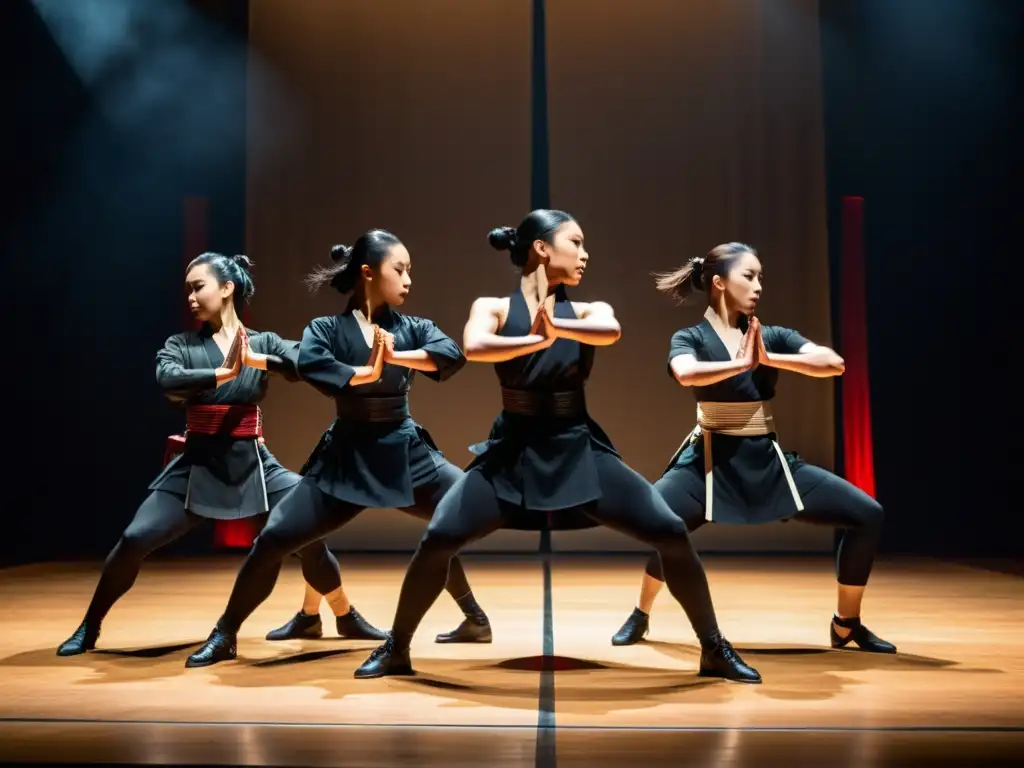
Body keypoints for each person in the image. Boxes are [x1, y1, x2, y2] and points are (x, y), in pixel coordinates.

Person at [354, 210, 761, 684]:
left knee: (670, 532)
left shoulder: (588, 309)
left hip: (577, 444)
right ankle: (397, 648)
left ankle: (713, 648)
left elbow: (611, 331)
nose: (585, 254)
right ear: (542, 249)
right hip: (512, 449)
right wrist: (534, 336)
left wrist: (557, 328)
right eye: (576, 242)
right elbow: (476, 345)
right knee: (438, 538)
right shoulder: (495, 306)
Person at [185, 231, 492, 668]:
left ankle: (474, 619)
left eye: (409, 271)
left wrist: (398, 358)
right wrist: (364, 373)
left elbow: (450, 354)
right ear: (368, 273)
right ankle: (225, 633)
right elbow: (312, 363)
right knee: (273, 539)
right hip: (347, 455)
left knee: (456, 518)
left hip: (405, 451)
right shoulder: (326, 329)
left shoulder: (413, 327)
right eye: (399, 270)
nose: (408, 280)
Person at [57, 252, 381, 656]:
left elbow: (306, 362)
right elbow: (168, 378)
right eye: (188, 289)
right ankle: (90, 626)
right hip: (197, 464)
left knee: (309, 538)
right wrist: (222, 373)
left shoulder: (261, 342)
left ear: (227, 289)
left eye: (199, 286)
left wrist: (335, 349)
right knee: (134, 538)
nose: (191, 296)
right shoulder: (181, 345)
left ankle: (342, 615)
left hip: (255, 464)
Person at [610, 243, 895, 654]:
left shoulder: (772, 336)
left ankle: (846, 624)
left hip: (765, 458)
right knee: (665, 527)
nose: (758, 286)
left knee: (868, 515)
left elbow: (834, 363)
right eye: (749, 276)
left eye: (760, 276)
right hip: (707, 460)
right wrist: (739, 365)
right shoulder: (690, 336)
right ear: (719, 282)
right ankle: (641, 612)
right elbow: (685, 373)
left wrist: (771, 358)